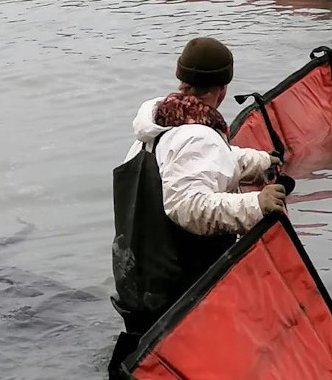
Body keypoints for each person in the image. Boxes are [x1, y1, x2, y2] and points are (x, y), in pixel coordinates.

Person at [108, 37, 286, 379]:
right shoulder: (198, 136)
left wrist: (261, 161)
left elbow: (199, 164)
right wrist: (256, 203)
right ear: (222, 90)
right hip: (177, 290)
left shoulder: (158, 127)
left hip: (137, 280)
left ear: (182, 81)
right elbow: (188, 206)